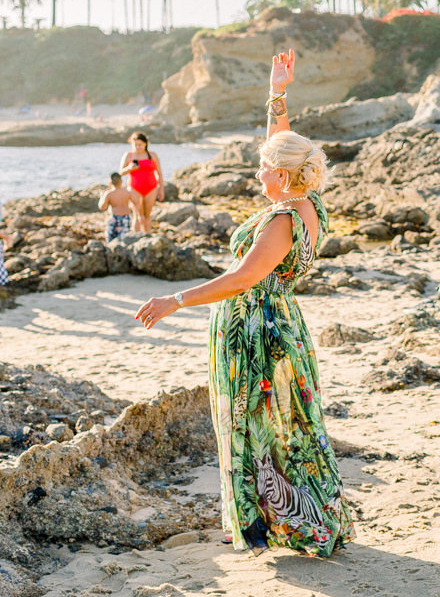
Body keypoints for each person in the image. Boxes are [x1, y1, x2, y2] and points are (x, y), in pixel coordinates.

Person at [134, 48, 354, 557]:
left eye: (263, 168)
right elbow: (281, 142)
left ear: (282, 173)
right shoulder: (306, 203)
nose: (257, 173)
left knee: (258, 423)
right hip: (278, 323)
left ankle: (292, 525)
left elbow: (243, 277)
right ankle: (301, 520)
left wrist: (175, 299)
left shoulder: (281, 220)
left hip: (258, 333)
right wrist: (277, 93)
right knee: (286, 425)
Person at [120, 132, 164, 233]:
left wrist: (161, 189)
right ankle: (136, 237)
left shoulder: (152, 155)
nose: (138, 147)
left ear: (145, 144)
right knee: (138, 214)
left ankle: (147, 236)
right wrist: (129, 168)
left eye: (140, 145)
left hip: (151, 188)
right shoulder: (128, 155)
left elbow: (160, 173)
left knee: (147, 215)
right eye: (135, 145)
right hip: (134, 188)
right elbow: (121, 172)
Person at [100, 172, 134, 242]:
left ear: (110, 183)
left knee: (111, 237)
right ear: (121, 182)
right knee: (124, 236)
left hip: (114, 217)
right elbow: (136, 203)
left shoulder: (109, 194)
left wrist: (101, 197)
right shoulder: (127, 192)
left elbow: (103, 207)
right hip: (126, 217)